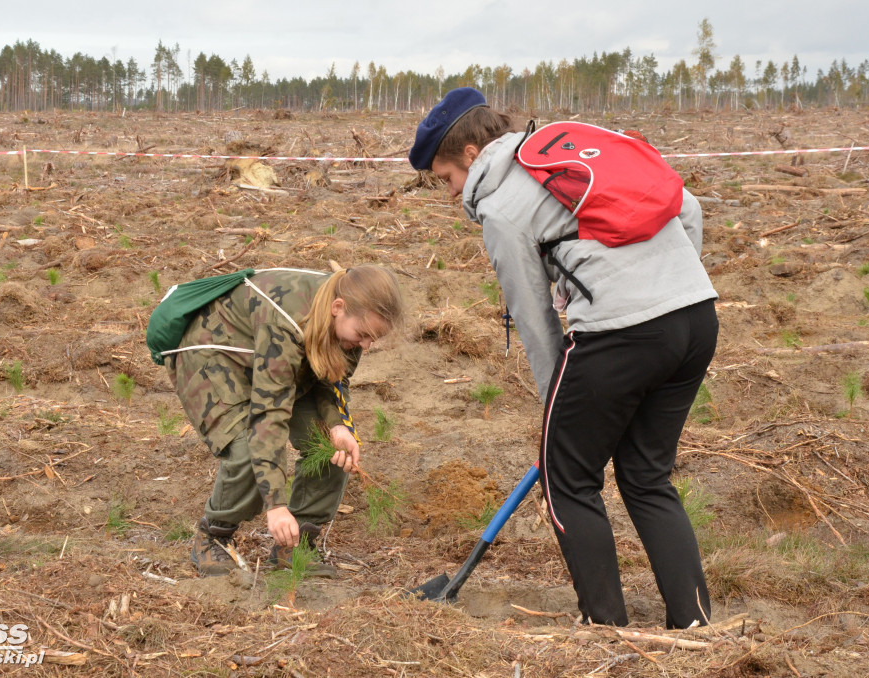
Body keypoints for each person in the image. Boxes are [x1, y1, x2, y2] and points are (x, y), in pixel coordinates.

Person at [409, 88, 719, 629]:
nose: (451, 192)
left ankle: (605, 628)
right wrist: (669, 284)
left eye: (445, 178)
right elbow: (685, 206)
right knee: (646, 476)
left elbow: (534, 319)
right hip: (695, 318)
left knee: (568, 479)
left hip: (621, 334)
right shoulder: (574, 149)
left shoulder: (502, 209)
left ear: (468, 153)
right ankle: (693, 622)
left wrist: (562, 409)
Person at [163, 266, 403, 577]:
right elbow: (269, 416)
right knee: (248, 451)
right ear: (338, 308)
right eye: (363, 335)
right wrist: (275, 505)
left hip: (278, 364)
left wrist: (338, 425)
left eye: (374, 338)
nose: (367, 345)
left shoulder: (347, 331)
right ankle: (213, 537)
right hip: (215, 357)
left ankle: (296, 546)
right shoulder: (285, 322)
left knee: (329, 449)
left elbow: (330, 379)